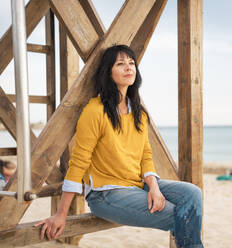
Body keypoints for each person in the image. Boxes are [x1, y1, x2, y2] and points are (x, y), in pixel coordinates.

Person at [35, 45, 204, 248]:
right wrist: (61, 214)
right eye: (120, 64)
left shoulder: (138, 113)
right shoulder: (94, 111)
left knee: (193, 193)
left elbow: (145, 155)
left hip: (136, 185)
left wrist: (154, 187)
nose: (128, 68)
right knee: (180, 215)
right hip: (106, 194)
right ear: (108, 72)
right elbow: (78, 163)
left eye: (131, 63)